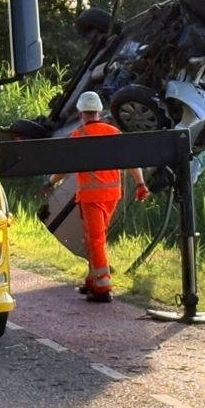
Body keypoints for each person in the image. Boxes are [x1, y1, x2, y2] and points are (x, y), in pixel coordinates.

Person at [41, 91, 151, 303]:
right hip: (111, 195)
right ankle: (92, 281)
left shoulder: (79, 135)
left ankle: (102, 286)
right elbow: (131, 160)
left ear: (81, 113)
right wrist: (140, 184)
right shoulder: (114, 132)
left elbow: (67, 167)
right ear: (99, 112)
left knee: (96, 240)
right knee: (95, 239)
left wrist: (50, 183)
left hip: (92, 197)